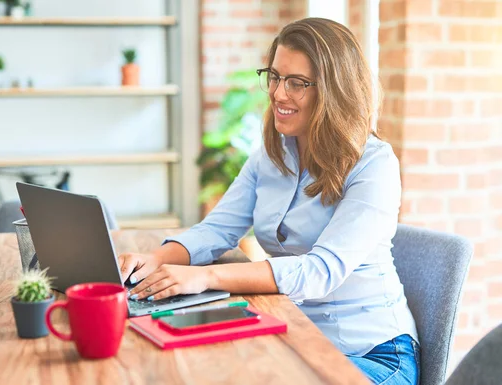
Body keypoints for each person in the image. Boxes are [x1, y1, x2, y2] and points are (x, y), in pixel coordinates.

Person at [119, 18, 419, 385]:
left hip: (372, 355)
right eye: (275, 77)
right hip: (297, 334)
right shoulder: (271, 154)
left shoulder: (374, 164)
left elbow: (319, 272)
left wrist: (205, 276)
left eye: (297, 83)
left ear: (334, 90)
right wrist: (153, 261)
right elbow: (217, 229)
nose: (278, 93)